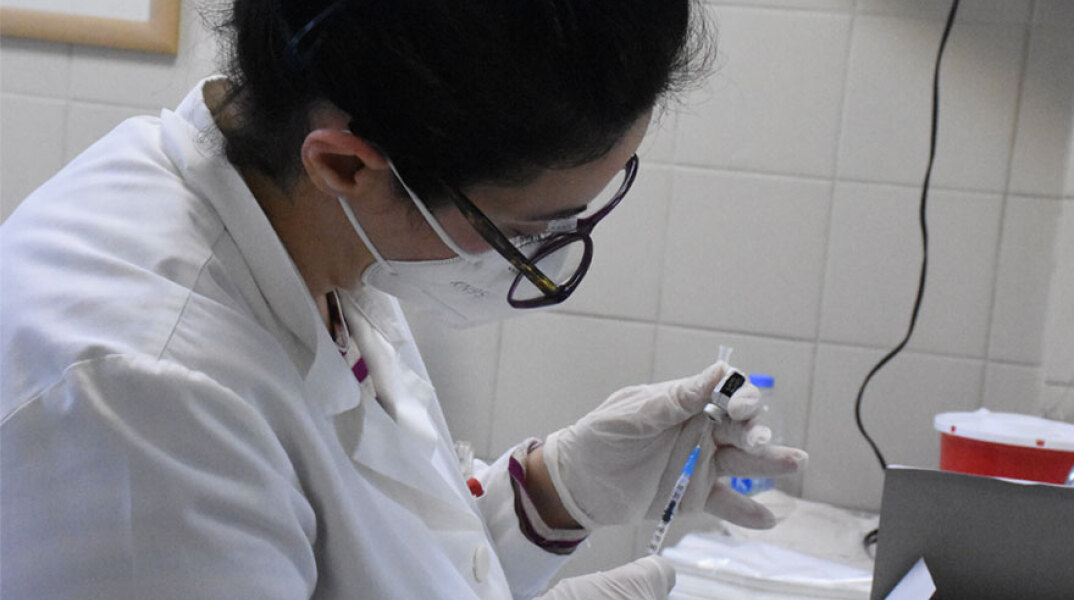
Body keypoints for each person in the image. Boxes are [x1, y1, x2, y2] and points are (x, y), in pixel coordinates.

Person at [0, 1, 807, 598]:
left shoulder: (312, 225)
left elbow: (377, 557)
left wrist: (552, 493)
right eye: (525, 230)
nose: (535, 255)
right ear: (347, 165)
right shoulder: (144, 400)